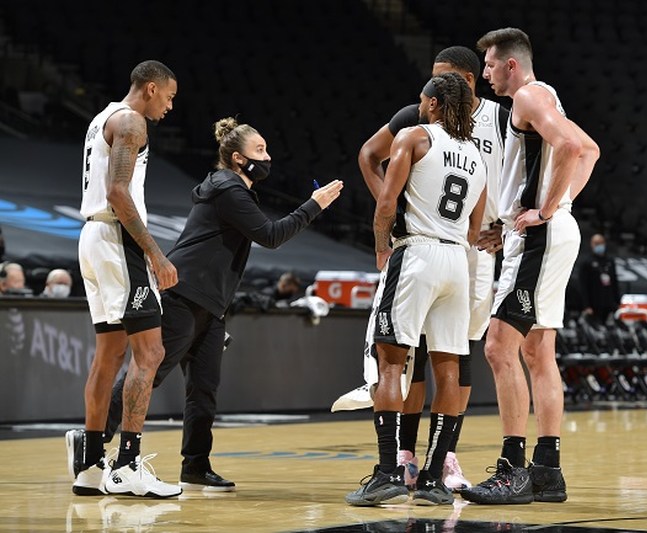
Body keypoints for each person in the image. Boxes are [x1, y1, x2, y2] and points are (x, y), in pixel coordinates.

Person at [100, 118, 343, 491]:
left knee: (204, 389)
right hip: (183, 295)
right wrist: (315, 205)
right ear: (236, 158)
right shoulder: (228, 187)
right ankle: (94, 442)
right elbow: (271, 235)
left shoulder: (235, 190)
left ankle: (195, 465)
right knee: (147, 376)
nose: (268, 157)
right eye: (259, 151)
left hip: (211, 304)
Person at [335, 46, 508, 492]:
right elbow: (475, 226)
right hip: (459, 261)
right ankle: (433, 476)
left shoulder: (414, 136)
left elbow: (387, 203)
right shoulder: (476, 157)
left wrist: (381, 246)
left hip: (416, 253)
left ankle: (389, 472)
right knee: (449, 366)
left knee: (391, 363)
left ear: (432, 103)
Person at [461, 28, 600, 505]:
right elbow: (590, 149)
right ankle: (548, 470)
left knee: (499, 348)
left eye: (490, 65)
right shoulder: (546, 96)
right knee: (539, 352)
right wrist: (548, 207)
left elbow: (569, 147)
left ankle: (512, 469)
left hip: (541, 237)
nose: (485, 73)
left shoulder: (527, 96)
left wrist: (543, 211)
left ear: (512, 66)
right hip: (547, 231)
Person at [65, 60, 181, 498]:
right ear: (150, 88)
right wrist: (154, 252)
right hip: (117, 239)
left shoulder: (102, 117)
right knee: (150, 352)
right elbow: (117, 192)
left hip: (92, 238)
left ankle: (91, 466)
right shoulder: (132, 121)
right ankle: (127, 465)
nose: (170, 106)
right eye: (169, 96)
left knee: (109, 353)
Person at [578, 233, 620, 324]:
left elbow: (614, 282)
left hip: (609, 303)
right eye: (596, 243)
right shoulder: (586, 263)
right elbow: (583, 285)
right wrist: (586, 306)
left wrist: (617, 302)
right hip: (594, 304)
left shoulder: (610, 261)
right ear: (592, 245)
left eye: (601, 243)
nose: (599, 246)